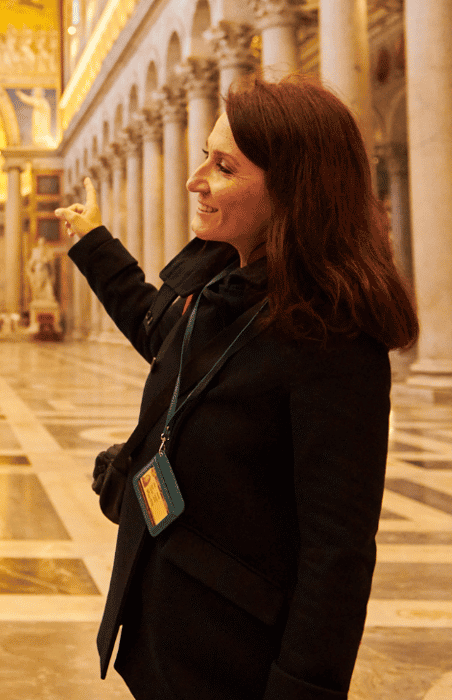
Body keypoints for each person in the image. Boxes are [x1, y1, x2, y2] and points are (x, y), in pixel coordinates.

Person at [55, 75, 418, 699]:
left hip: (235, 657)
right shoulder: (229, 288)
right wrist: (95, 245)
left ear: (293, 188)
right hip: (166, 625)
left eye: (223, 167)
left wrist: (302, 689)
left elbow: (338, 550)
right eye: (205, 156)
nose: (197, 180)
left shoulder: (332, 334)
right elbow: (160, 334)